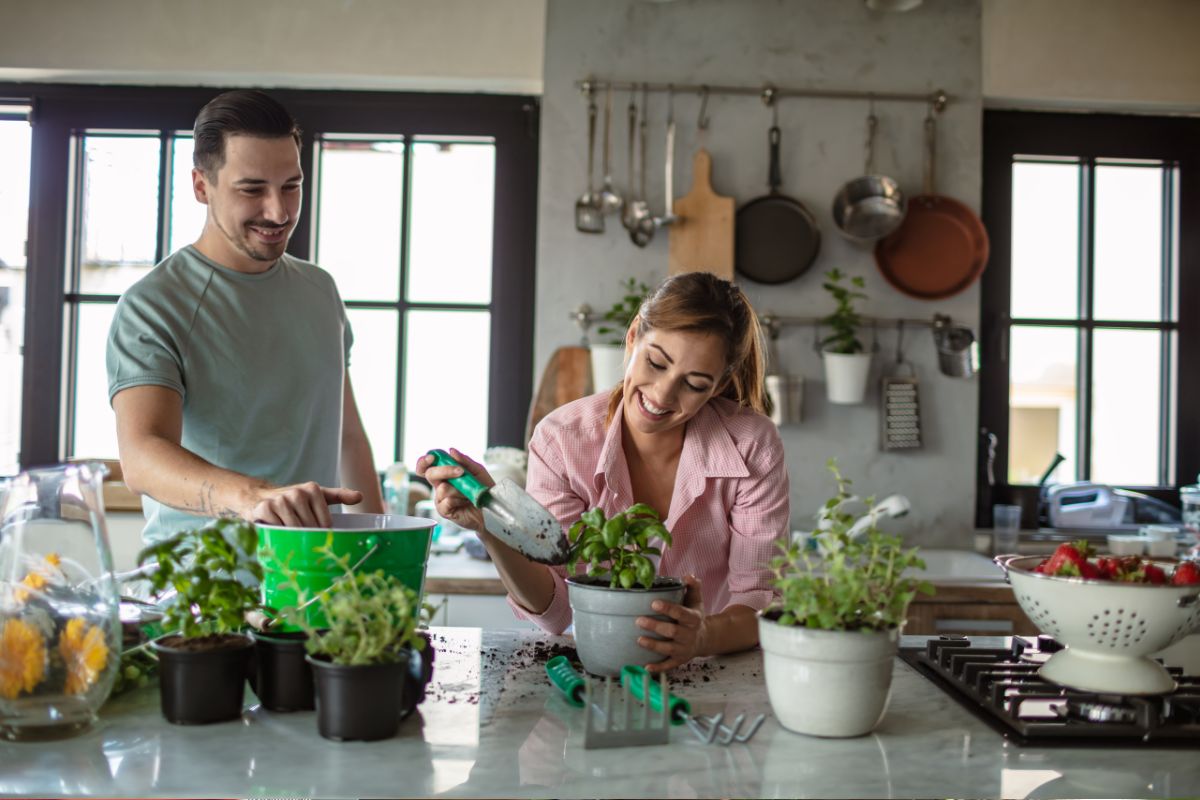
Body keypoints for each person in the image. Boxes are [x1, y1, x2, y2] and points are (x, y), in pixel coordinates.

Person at [418, 272, 789, 671]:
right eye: (656, 362)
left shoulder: (752, 444)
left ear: (717, 387)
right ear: (633, 337)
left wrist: (701, 636)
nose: (663, 395)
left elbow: (760, 599)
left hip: (713, 672)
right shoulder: (562, 439)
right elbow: (557, 612)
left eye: (695, 384)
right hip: (596, 667)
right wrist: (491, 527)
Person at [106, 89, 382, 543]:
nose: (278, 211)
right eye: (252, 189)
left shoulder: (320, 290)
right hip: (202, 589)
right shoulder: (153, 306)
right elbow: (142, 456)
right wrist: (254, 496)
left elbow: (347, 437)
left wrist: (382, 555)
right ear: (202, 186)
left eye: (291, 186)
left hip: (315, 583)